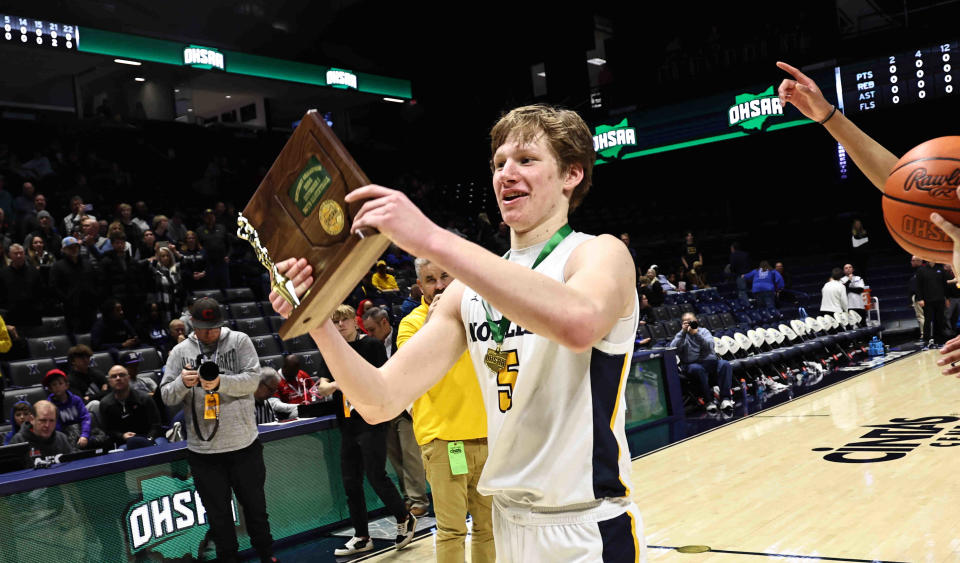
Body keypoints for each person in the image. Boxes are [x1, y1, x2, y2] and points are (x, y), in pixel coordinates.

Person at [270, 104, 644, 561]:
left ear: (571, 174)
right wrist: (319, 320)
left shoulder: (597, 255)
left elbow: (578, 322)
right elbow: (379, 400)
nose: (507, 172)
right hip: (505, 524)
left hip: (586, 527)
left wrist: (430, 239)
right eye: (499, 163)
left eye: (526, 159)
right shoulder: (465, 294)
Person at [160, 297, 278, 563]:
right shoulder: (180, 352)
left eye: (213, 327)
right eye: (202, 327)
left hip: (244, 446)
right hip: (204, 452)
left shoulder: (239, 341)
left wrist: (218, 382)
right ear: (193, 323)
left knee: (256, 508)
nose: (208, 333)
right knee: (218, 515)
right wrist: (182, 383)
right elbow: (166, 395)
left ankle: (267, 555)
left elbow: (251, 381)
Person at [398, 257, 494, 562]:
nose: (439, 285)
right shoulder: (412, 324)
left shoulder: (480, 318)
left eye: (445, 276)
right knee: (453, 530)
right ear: (420, 285)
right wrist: (434, 324)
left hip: (488, 438)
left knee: (487, 527)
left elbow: (498, 365)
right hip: (446, 443)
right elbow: (411, 369)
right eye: (430, 279)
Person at [310, 304, 417, 556]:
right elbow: (322, 379)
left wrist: (334, 385)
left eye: (344, 320)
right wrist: (327, 384)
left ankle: (405, 517)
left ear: (354, 321)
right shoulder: (332, 350)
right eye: (334, 323)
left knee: (375, 474)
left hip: (372, 419)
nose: (339, 326)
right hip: (347, 423)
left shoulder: (371, 345)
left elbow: (375, 376)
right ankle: (361, 535)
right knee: (350, 482)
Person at [363, 304, 431, 517]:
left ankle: (419, 499)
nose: (369, 334)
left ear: (384, 322)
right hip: (385, 408)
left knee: (411, 456)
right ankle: (407, 497)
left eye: (372, 329)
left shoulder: (404, 334)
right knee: (395, 457)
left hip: (406, 406)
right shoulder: (371, 346)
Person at [670, 313, 733, 414]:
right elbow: (673, 348)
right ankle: (708, 401)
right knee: (697, 369)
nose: (689, 323)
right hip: (691, 364)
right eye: (686, 321)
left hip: (709, 362)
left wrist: (696, 334)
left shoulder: (704, 331)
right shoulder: (681, 335)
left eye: (691, 321)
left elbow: (709, 347)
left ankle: (725, 399)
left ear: (696, 321)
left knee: (725, 364)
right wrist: (683, 332)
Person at [100, 364, 163, 449]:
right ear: (109, 381)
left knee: (161, 445)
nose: (118, 378)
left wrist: (148, 439)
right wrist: (122, 435)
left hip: (149, 438)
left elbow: (156, 425)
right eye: (114, 376)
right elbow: (107, 431)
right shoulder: (105, 404)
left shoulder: (144, 398)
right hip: (124, 443)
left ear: (128, 378)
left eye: (122, 375)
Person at [50, 237, 99, 333]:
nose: (74, 249)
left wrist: (94, 296)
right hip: (72, 310)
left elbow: (96, 281)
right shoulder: (58, 266)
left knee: (93, 335)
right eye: (70, 247)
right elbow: (54, 287)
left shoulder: (87, 264)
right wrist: (67, 299)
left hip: (90, 308)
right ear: (63, 250)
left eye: (76, 247)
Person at [8, 400, 75, 459]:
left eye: (51, 421)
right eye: (43, 420)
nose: (47, 425)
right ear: (32, 419)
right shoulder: (18, 441)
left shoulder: (62, 438)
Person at [916, 261, 948, 349]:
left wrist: (947, 298)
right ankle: (927, 340)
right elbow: (918, 286)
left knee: (939, 320)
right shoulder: (921, 270)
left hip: (940, 299)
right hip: (927, 300)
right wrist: (920, 298)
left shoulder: (940, 269)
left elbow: (945, 285)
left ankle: (939, 340)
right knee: (928, 320)